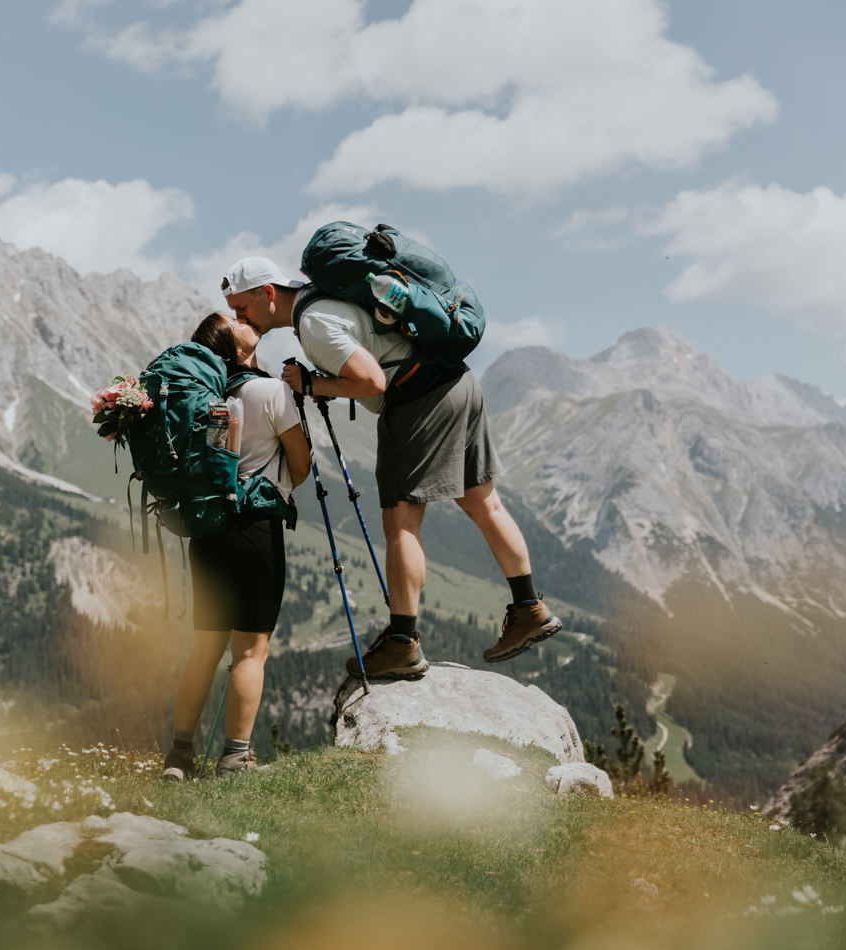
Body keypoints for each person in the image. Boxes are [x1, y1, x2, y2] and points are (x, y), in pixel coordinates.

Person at [220, 256, 560, 678]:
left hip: (419, 399)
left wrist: (312, 385)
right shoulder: (327, 295)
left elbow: (373, 382)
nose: (240, 318)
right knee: (481, 502)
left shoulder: (313, 324)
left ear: (267, 293)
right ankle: (529, 607)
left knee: (400, 522)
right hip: (457, 382)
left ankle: (402, 642)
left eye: (243, 308)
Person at [160, 312, 312, 781]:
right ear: (233, 344)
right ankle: (234, 759)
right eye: (236, 321)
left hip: (207, 530)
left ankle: (179, 757)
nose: (247, 320)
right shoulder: (269, 392)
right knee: (250, 652)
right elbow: (301, 467)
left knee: (203, 649)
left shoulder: (199, 398)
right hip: (254, 529)